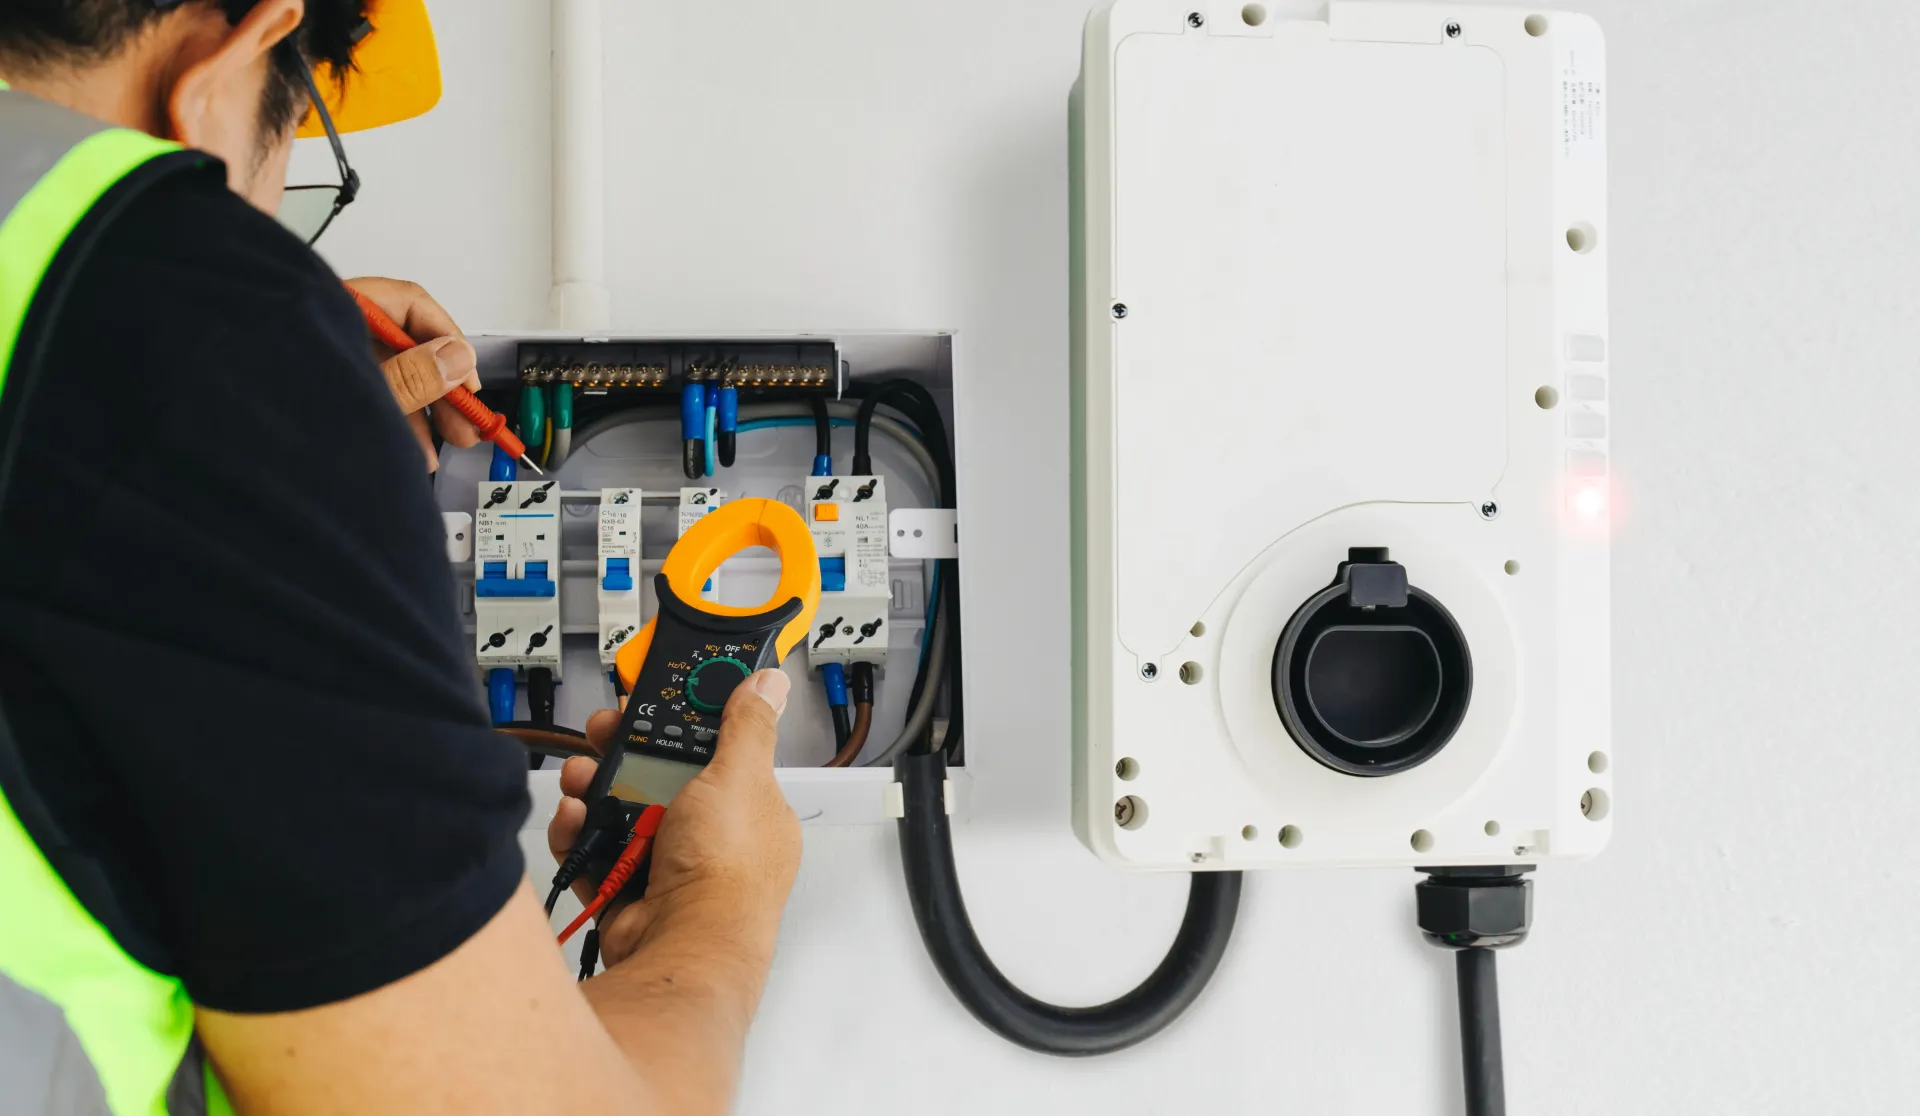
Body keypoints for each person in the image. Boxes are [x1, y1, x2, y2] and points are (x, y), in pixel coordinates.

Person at [0, 2, 800, 1113]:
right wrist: (721, 918)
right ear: (226, 60)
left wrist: (253, 453)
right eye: (306, 156)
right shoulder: (197, 338)